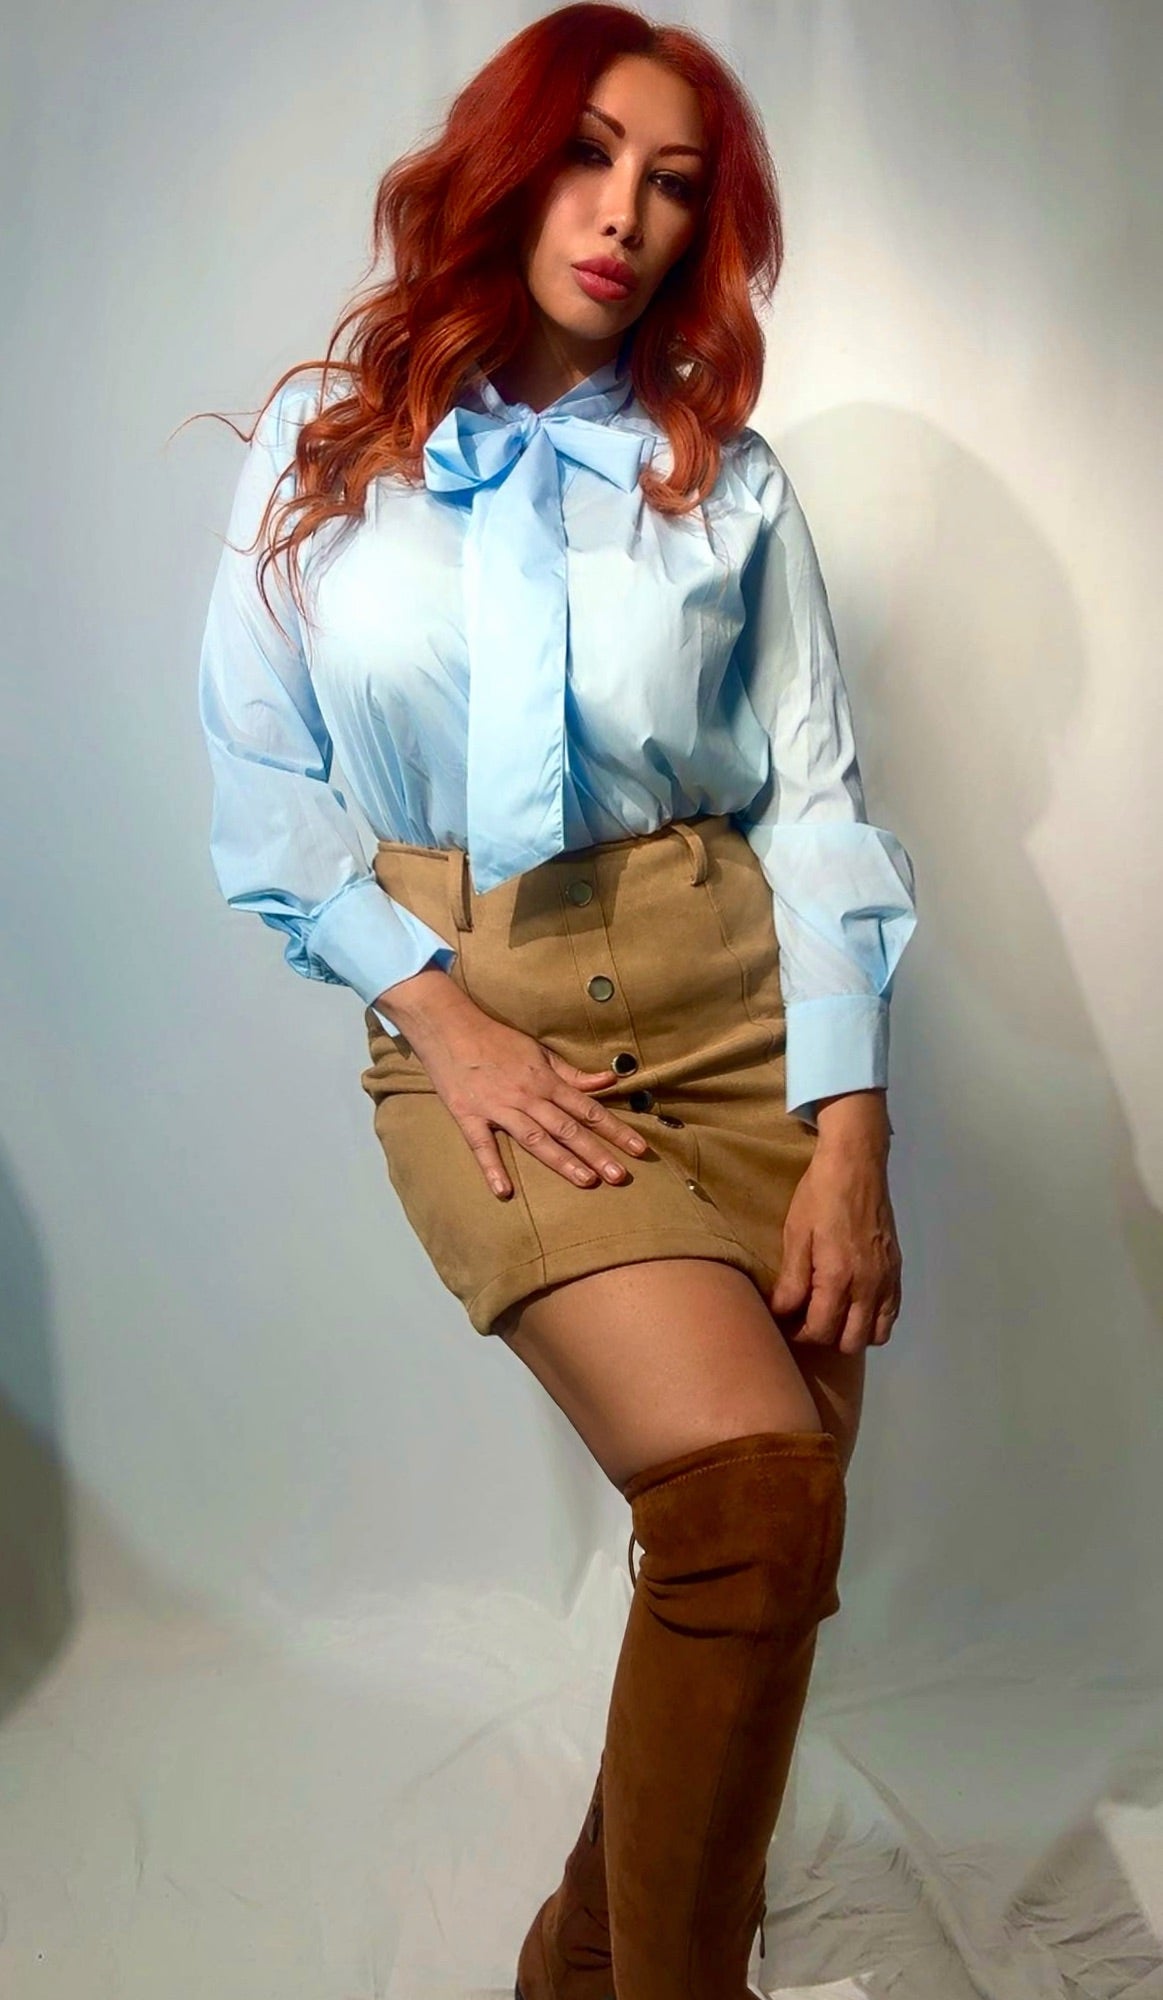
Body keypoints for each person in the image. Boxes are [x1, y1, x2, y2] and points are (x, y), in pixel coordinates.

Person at [195, 5, 918, 1994]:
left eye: (673, 185)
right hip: (483, 1015)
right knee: (748, 1502)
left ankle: (582, 1965)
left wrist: (853, 1129)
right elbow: (262, 789)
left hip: (746, 1020)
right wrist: (445, 1022)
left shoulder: (728, 482)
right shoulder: (326, 455)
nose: (624, 215)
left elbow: (818, 805)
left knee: (763, 1551)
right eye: (591, 155)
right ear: (508, 165)